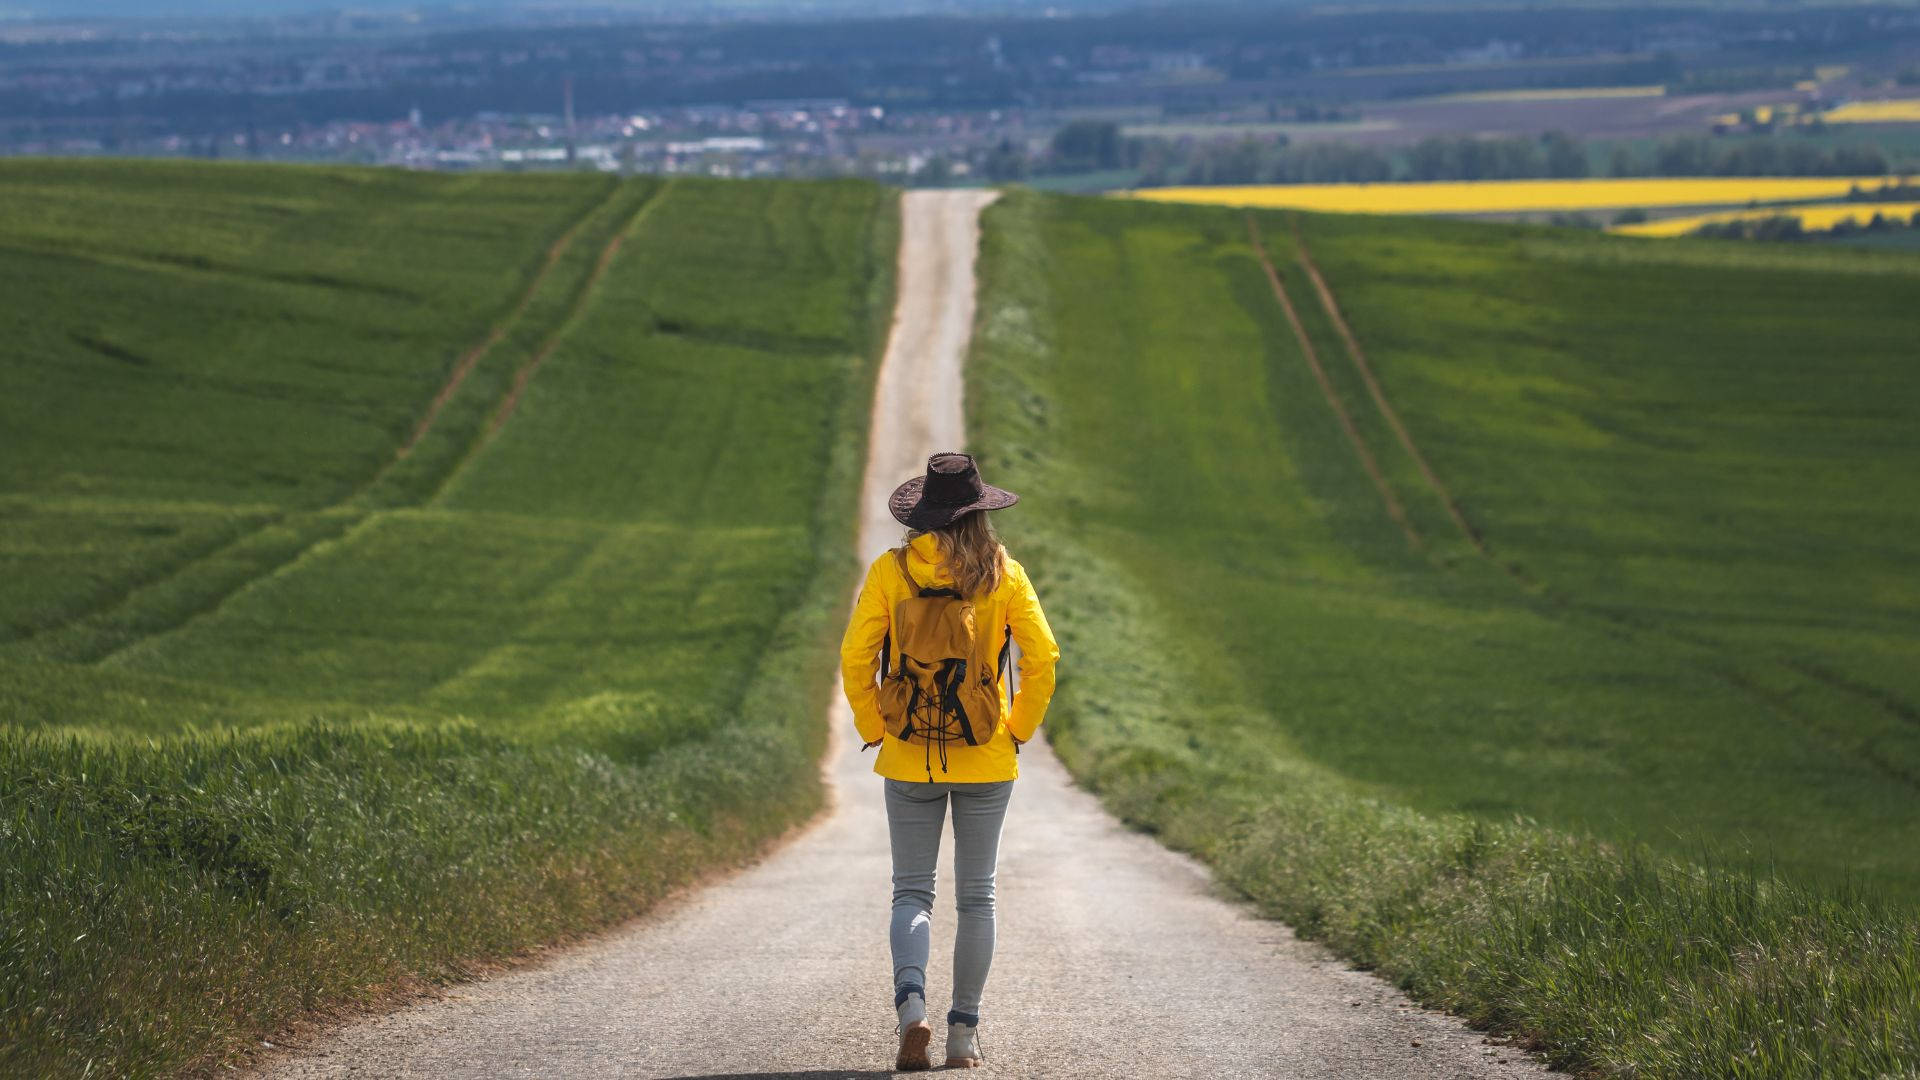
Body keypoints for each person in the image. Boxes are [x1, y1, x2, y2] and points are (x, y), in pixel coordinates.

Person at [839, 451, 1059, 1071]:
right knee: (978, 898)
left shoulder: (892, 571)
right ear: (980, 513)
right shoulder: (1004, 574)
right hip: (986, 755)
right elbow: (1042, 660)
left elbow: (857, 658)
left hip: (909, 754)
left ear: (922, 515)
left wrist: (874, 727)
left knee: (911, 892)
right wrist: (1016, 731)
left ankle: (913, 1010)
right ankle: (963, 1032)